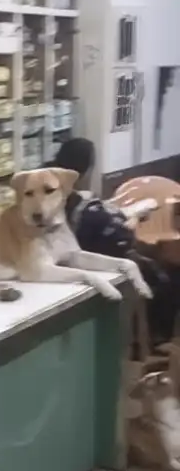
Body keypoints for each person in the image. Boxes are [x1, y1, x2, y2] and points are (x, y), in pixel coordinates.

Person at [47, 137, 178, 343]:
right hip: (98, 267)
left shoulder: (51, 196)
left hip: (60, 262)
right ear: (87, 170)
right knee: (164, 279)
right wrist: (135, 218)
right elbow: (123, 238)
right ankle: (155, 338)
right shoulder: (90, 209)